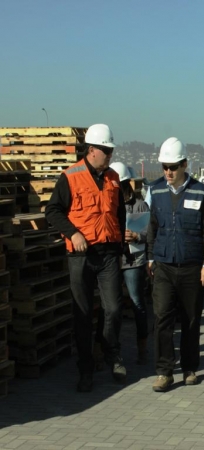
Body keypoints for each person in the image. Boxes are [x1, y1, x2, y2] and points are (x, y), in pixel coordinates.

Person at [45, 124, 127, 392]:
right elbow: (53, 211)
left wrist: (121, 246)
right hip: (81, 255)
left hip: (107, 254)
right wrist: (74, 234)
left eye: (111, 150)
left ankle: (110, 352)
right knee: (82, 315)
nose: (110, 155)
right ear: (92, 150)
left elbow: (119, 214)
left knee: (113, 308)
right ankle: (86, 368)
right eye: (106, 150)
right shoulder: (70, 177)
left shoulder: (114, 178)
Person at [146, 137, 204, 392]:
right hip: (164, 267)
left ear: (185, 165)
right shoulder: (155, 191)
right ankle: (164, 371)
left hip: (191, 267)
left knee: (190, 320)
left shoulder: (202, 192)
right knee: (162, 318)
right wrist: (151, 258)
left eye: (173, 167)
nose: (168, 172)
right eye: (165, 166)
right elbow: (152, 227)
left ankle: (190, 368)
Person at [110, 162, 150, 364]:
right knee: (111, 305)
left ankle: (142, 346)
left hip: (134, 260)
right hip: (113, 260)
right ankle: (109, 349)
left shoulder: (140, 205)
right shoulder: (109, 204)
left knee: (137, 303)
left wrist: (136, 236)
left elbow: (149, 233)